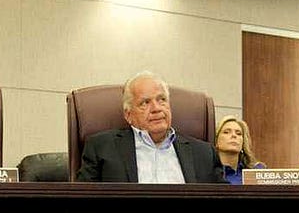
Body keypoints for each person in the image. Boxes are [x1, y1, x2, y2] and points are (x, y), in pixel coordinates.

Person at [76, 73, 224, 183]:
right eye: (145, 103)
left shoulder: (204, 154)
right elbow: (81, 203)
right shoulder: (101, 147)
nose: (156, 108)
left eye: (162, 100)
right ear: (128, 115)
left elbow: (227, 205)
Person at [214, 115, 265, 184]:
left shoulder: (256, 171)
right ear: (216, 140)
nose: (234, 135)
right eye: (226, 132)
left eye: (238, 133)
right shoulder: (208, 172)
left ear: (243, 143)